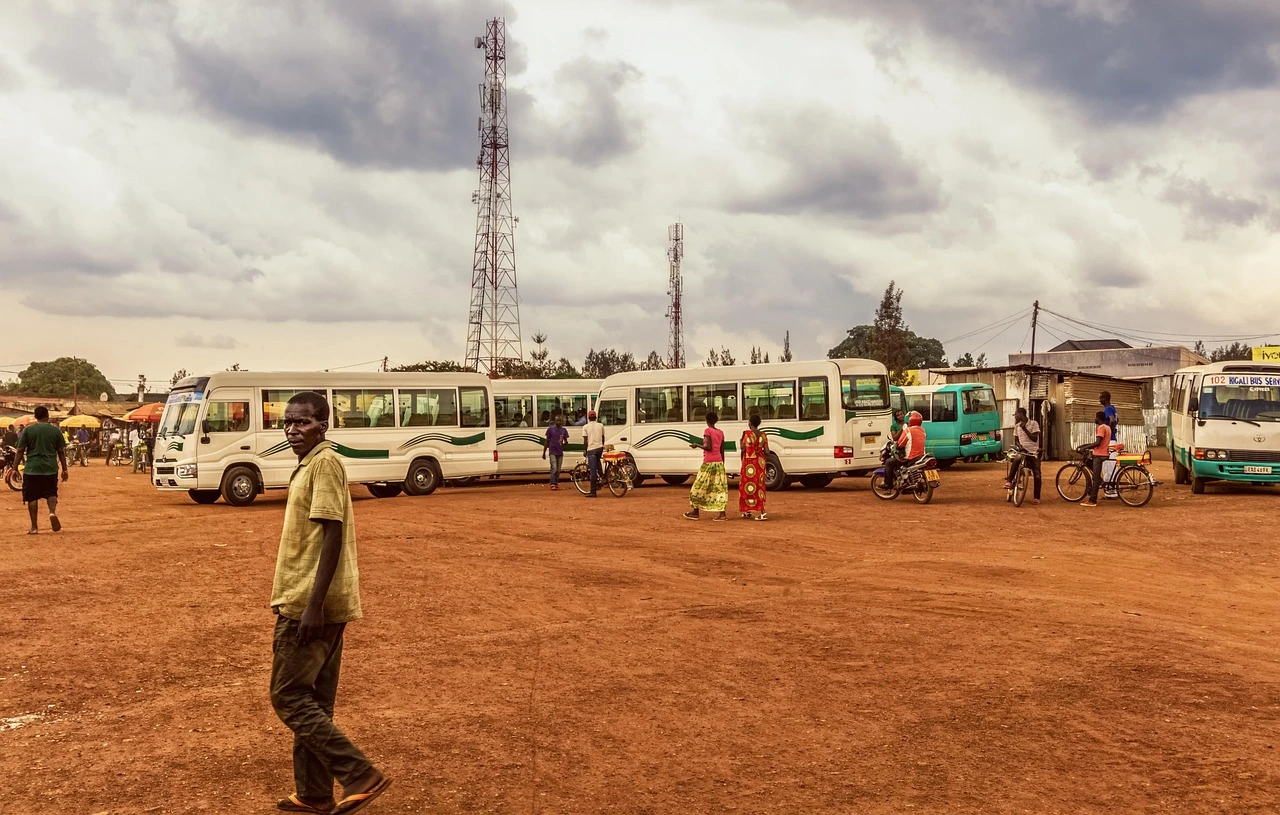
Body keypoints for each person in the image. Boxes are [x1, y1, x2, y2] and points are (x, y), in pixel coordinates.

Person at [269, 391, 391, 815]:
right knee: (314, 700)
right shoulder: (312, 464)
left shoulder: (323, 463)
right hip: (314, 598)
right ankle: (315, 794)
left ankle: (358, 774)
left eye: (303, 422)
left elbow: (332, 533)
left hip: (308, 601)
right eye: (288, 422)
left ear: (324, 425)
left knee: (287, 697)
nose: (292, 429)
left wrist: (313, 605)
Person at [14, 406, 68, 534]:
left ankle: (34, 527)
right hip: (50, 468)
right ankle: (52, 513)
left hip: (32, 468)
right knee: (51, 492)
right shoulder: (55, 431)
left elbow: (20, 450)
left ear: (35, 416)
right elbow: (61, 451)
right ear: (47, 416)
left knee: (32, 497)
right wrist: (65, 469)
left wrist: (14, 468)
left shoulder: (28, 430)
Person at [685, 411, 728, 520]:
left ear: (707, 420)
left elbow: (708, 447)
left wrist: (697, 445)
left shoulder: (707, 431)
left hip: (708, 463)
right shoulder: (721, 432)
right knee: (719, 488)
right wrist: (722, 463)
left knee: (698, 487)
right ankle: (722, 514)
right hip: (719, 463)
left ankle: (695, 512)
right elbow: (722, 450)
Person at [1005, 406, 1042, 504]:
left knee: (1037, 475)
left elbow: (1034, 438)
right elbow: (1016, 440)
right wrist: (1019, 446)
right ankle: (1009, 480)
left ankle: (1036, 497)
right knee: (1017, 459)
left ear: (1021, 414)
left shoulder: (1034, 423)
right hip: (1022, 450)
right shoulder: (1017, 426)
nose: (1015, 416)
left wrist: (1025, 429)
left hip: (1033, 452)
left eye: (1016, 414)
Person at [884, 411, 926, 490]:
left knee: (888, 462)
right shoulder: (922, 430)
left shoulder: (908, 430)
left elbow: (900, 444)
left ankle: (888, 484)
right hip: (921, 455)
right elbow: (895, 438)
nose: (900, 416)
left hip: (910, 456)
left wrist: (898, 446)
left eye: (901, 414)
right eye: (898, 415)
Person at [738, 414, 769, 521]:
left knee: (746, 487)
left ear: (750, 423)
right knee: (759, 487)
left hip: (748, 464)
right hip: (760, 464)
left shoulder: (746, 434)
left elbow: (742, 449)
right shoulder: (763, 435)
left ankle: (747, 509)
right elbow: (768, 451)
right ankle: (761, 511)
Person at [1080, 409, 1112, 507]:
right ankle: (1098, 484)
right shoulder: (1108, 427)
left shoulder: (1101, 427)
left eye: (1095, 418)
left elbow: (1098, 442)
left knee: (1096, 478)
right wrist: (1086, 445)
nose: (1095, 419)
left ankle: (1092, 500)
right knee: (1092, 468)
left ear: (1098, 418)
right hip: (1105, 453)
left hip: (1099, 455)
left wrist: (1085, 447)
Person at [1099, 392, 1120, 499]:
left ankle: (1111, 493)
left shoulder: (1107, 409)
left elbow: (1112, 420)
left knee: (1107, 466)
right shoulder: (1113, 408)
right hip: (1113, 440)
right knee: (1113, 466)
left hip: (1109, 441)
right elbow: (1116, 420)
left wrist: (1108, 432)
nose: (1099, 400)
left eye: (1100, 398)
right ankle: (1113, 491)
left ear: (1105, 398)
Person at [582, 410, 606, 498]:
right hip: (599, 448)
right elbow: (603, 437)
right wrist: (602, 446)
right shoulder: (601, 425)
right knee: (597, 463)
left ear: (588, 418)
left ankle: (593, 492)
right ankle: (603, 478)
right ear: (596, 417)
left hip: (591, 449)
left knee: (592, 471)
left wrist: (585, 450)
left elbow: (585, 441)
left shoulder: (585, 427)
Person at [543, 413, 569, 491]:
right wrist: (544, 452)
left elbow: (566, 440)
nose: (558, 422)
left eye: (560, 421)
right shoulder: (550, 429)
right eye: (557, 420)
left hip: (560, 452)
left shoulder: (564, 430)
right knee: (554, 467)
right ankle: (552, 483)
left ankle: (556, 482)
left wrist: (566, 442)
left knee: (558, 469)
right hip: (552, 451)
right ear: (554, 421)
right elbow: (547, 440)